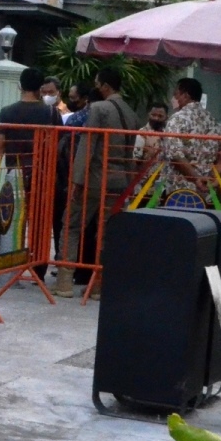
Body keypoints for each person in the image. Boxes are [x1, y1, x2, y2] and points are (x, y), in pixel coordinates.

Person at [54, 66, 139, 297]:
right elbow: (130, 151)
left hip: (94, 179)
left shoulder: (99, 109)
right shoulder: (131, 112)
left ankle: (64, 283)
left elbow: (87, 145)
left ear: (105, 86)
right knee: (106, 231)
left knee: (71, 224)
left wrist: (76, 180)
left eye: (97, 83)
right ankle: (99, 285)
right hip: (119, 180)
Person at [0, 67, 60, 167]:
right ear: (41, 88)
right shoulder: (52, 112)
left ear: (20, 86)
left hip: (15, 172)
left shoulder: (6, 112)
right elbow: (59, 143)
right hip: (43, 173)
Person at [160, 77, 221, 169]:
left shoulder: (177, 119)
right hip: (206, 181)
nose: (173, 99)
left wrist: (196, 178)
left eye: (175, 94)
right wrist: (212, 180)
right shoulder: (214, 122)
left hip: (178, 181)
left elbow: (174, 153)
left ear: (185, 96)